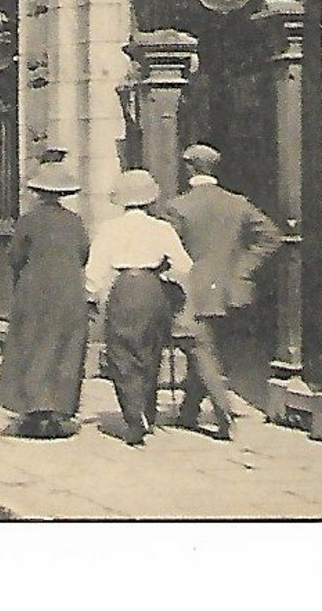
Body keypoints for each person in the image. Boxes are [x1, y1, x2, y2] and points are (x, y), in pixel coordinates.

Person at [164, 143, 282, 441]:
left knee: (200, 350)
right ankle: (189, 411)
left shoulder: (177, 207)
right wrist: (242, 269)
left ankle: (223, 412)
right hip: (230, 291)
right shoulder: (238, 203)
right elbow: (270, 236)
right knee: (206, 349)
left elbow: (170, 252)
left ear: (189, 168)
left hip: (193, 290)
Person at [87, 169, 194, 446]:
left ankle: (133, 416)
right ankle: (147, 410)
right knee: (150, 350)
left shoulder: (109, 228)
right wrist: (164, 269)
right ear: (150, 200)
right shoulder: (162, 228)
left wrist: (90, 294)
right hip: (151, 289)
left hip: (124, 288)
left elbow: (95, 269)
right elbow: (185, 265)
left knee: (121, 352)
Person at [0, 160, 90, 438]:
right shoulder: (75, 222)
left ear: (38, 191)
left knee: (32, 346)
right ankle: (57, 410)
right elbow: (84, 254)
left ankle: (34, 409)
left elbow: (15, 257)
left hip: (35, 291)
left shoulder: (29, 221)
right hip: (69, 292)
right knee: (64, 348)